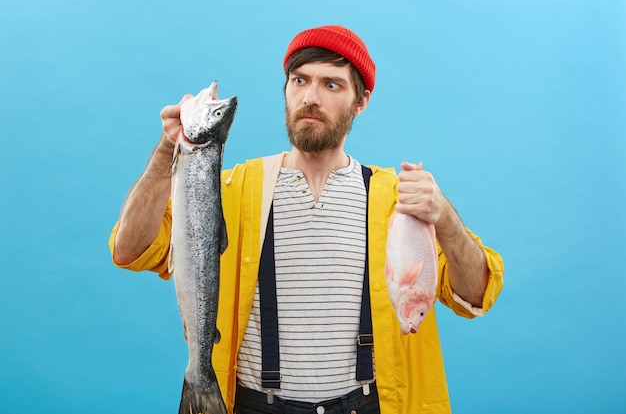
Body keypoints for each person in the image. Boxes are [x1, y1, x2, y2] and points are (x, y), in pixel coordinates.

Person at [108, 25, 504, 414]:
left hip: (370, 405)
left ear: (360, 101)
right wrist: (167, 151)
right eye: (300, 80)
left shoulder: (398, 201)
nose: (310, 97)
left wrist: (446, 218)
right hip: (253, 405)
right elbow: (130, 249)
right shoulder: (233, 188)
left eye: (332, 85)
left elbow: (475, 294)